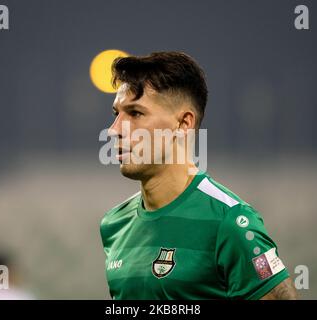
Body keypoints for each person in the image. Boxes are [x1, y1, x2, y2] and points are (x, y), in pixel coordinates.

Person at [100, 52, 297, 300]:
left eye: (136, 113)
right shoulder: (114, 224)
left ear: (183, 124)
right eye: (116, 114)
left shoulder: (231, 222)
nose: (114, 129)